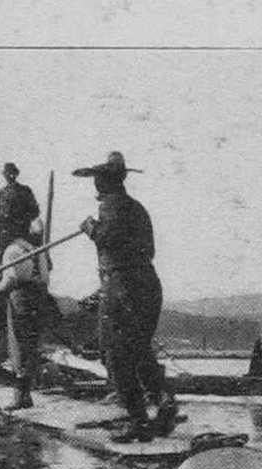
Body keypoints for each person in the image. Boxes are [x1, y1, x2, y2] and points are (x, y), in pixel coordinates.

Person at [74, 150, 177, 442]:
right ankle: (164, 402)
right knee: (139, 350)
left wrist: (91, 228)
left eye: (98, 179)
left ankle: (138, 420)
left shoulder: (111, 205)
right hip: (145, 284)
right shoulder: (137, 208)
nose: (95, 184)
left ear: (106, 182)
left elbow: (110, 239)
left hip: (124, 288)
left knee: (116, 355)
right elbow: (142, 252)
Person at [0, 221, 58, 410]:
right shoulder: (37, 250)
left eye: (2, 232)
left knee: (18, 345)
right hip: (39, 298)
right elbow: (46, 274)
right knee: (30, 347)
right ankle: (25, 396)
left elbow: (11, 279)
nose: (0, 236)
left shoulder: (12, 250)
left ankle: (19, 398)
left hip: (21, 298)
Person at [0, 162, 40, 265]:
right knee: (0, 260)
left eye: (11, 173)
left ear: (15, 174)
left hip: (20, 231)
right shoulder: (3, 192)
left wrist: (21, 221)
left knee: (34, 251)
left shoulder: (25, 190)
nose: (9, 176)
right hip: (4, 233)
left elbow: (35, 211)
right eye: (7, 173)